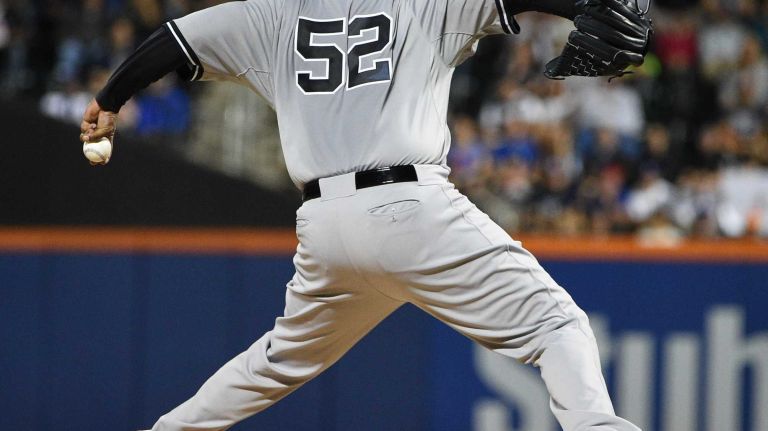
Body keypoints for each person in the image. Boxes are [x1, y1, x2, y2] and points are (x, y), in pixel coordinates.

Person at [79, 0, 649, 429]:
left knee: (275, 366)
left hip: (324, 227)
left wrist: (108, 100)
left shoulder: (272, 16)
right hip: (410, 206)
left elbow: (170, 41)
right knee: (558, 327)